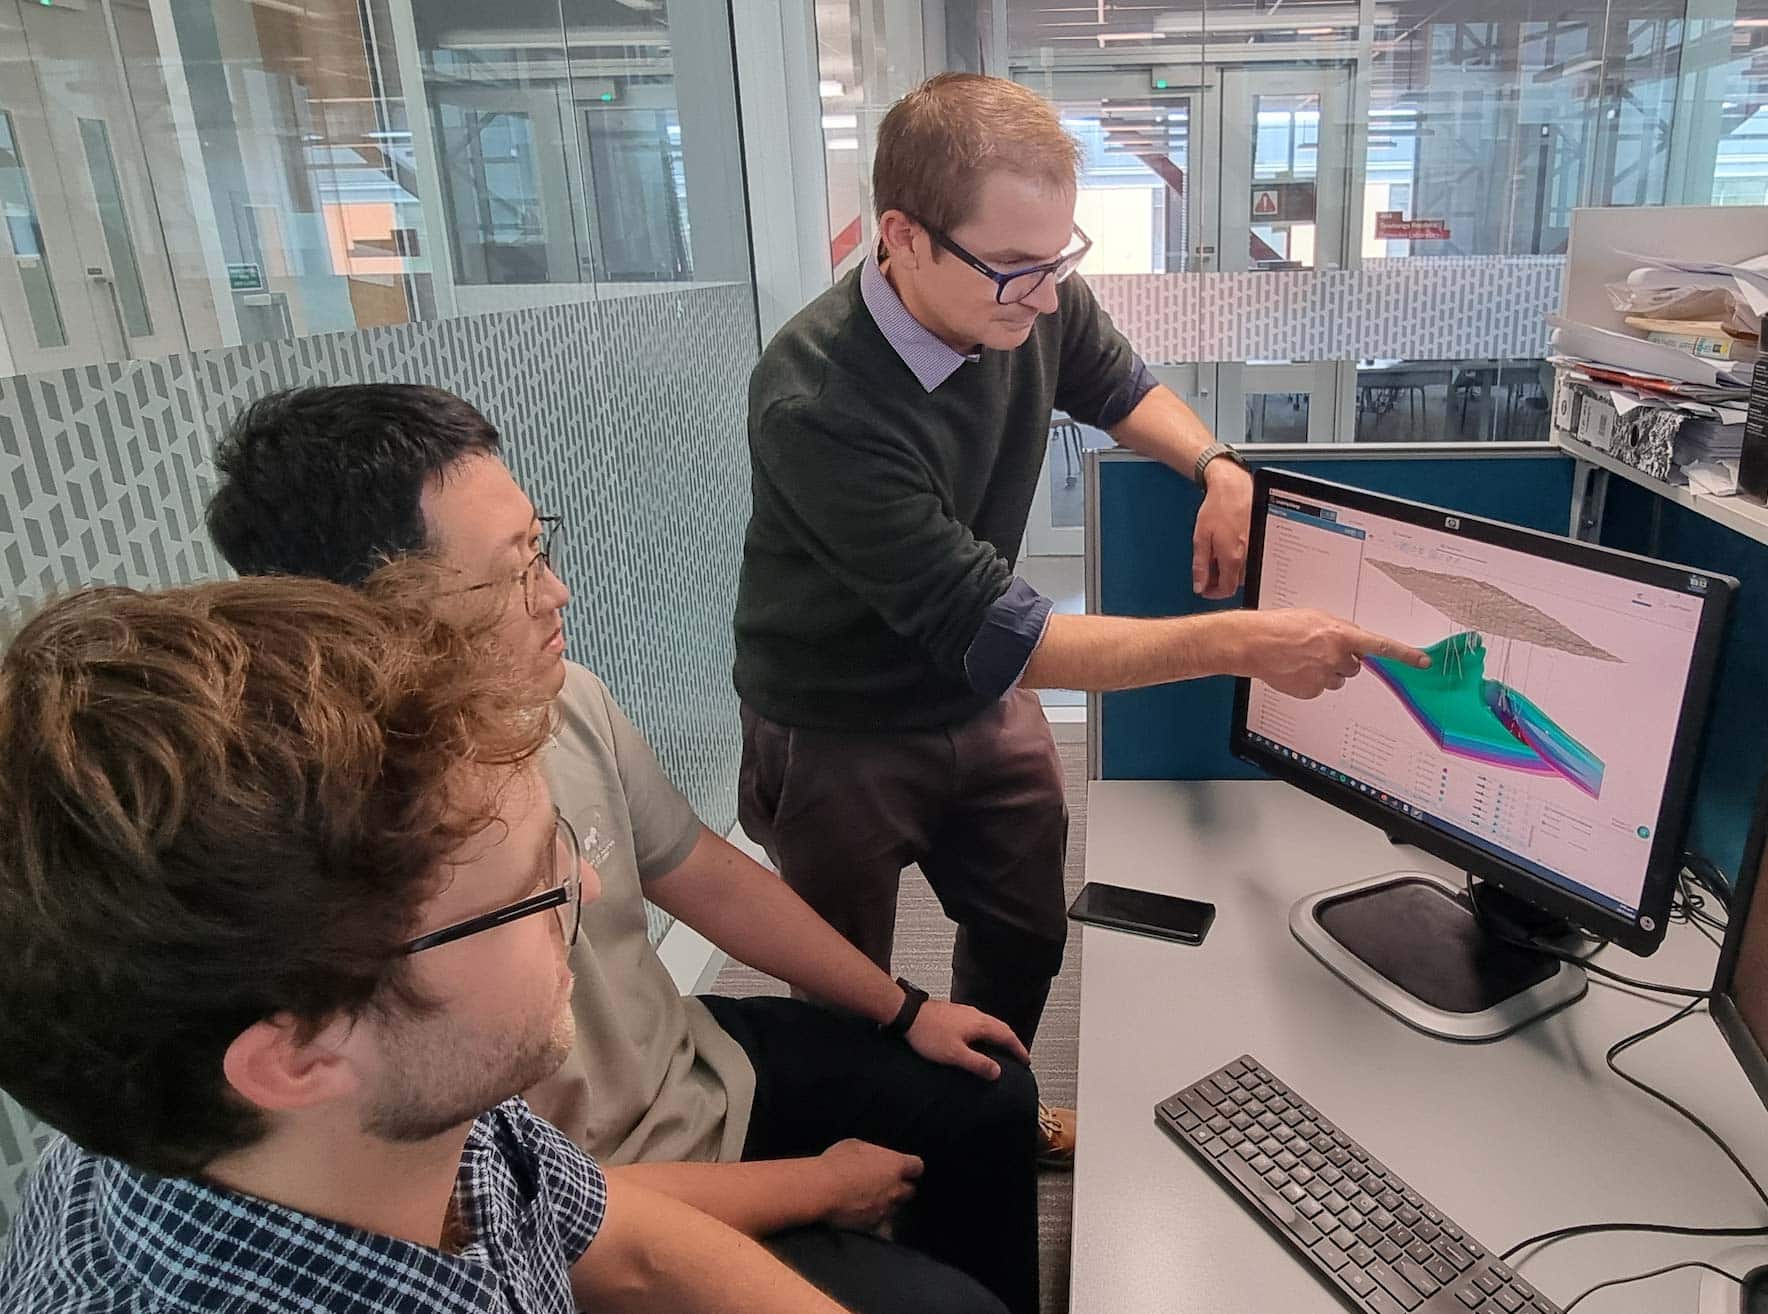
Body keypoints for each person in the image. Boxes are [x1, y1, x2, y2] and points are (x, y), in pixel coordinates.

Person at [202, 383, 1040, 1314]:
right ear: (369, 620)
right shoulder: (336, 871)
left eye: (539, 548)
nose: (554, 590)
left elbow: (705, 873)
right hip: (595, 1206)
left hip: (691, 1074)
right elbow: (548, 1209)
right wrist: (823, 1186)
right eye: (511, 573)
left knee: (988, 1093)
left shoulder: (563, 699)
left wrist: (903, 1008)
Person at [734, 73, 1427, 1082]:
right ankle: (866, 1169)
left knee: (1024, 932)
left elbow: (1119, 384)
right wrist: (1244, 641)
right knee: (849, 986)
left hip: (975, 690)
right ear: (902, 234)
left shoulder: (1030, 297)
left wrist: (1216, 466)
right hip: (834, 715)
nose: (1048, 294)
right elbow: (1024, 638)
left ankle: (987, 1114)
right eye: (1015, 267)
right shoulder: (816, 401)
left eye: (1060, 258)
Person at [0, 568, 854, 1313]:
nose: (584, 886)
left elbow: (623, 1245)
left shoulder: (396, 1100)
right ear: (299, 1056)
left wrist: (828, 1182)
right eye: (532, 889)